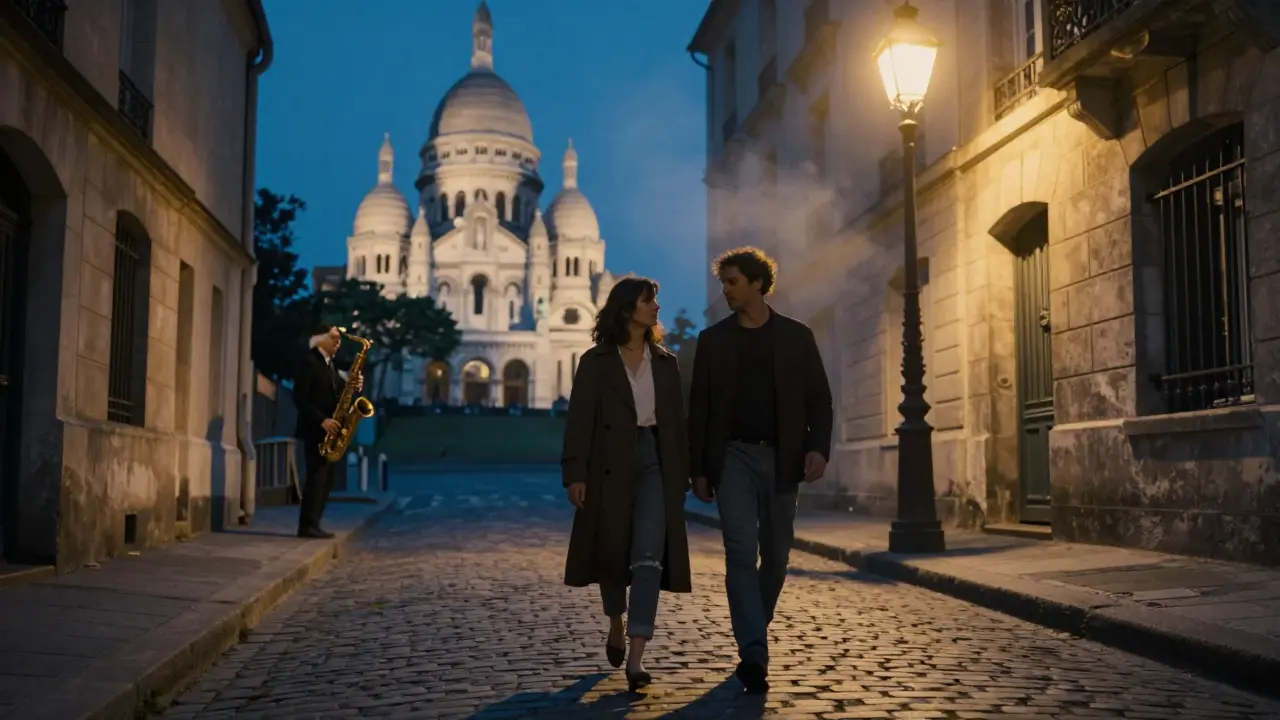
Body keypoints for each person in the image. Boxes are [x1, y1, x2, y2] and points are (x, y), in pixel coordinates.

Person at [688, 246, 833, 694]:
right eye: (722, 283)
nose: (725, 291)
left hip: (783, 457)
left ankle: (754, 626)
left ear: (757, 283)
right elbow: (700, 409)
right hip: (732, 458)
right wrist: (699, 468)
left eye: (732, 282)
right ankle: (754, 651)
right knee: (738, 552)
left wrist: (818, 449)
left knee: (776, 557)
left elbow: (819, 400)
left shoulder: (797, 336)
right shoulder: (713, 341)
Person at [561, 277, 693, 692]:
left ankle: (637, 656)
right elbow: (579, 420)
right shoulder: (596, 361)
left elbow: (676, 424)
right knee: (613, 551)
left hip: (656, 459)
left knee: (649, 556)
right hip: (609, 461)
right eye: (648, 301)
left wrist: (684, 472)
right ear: (627, 309)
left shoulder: (666, 362)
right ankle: (615, 619)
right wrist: (575, 473)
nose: (656, 307)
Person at [293, 322, 362, 539]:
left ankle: (315, 522)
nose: (338, 342)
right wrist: (322, 420)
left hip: (330, 430)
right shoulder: (309, 361)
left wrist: (353, 385)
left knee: (326, 479)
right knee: (316, 478)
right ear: (319, 338)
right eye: (333, 338)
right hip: (316, 429)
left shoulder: (328, 363)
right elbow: (300, 397)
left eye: (338, 339)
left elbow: (338, 393)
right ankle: (307, 525)